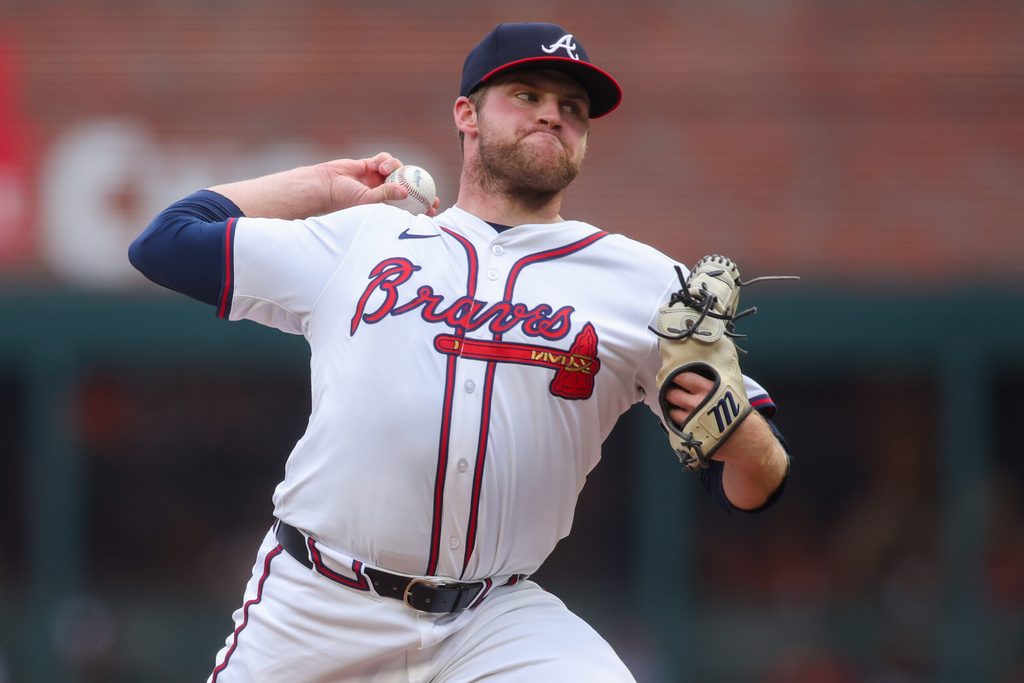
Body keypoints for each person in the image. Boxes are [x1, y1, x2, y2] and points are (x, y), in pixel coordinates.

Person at [129, 21, 790, 682]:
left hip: (492, 619)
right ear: (466, 114)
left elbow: (758, 481)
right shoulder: (366, 241)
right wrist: (324, 186)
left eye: (572, 109)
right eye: (527, 95)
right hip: (317, 605)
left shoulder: (644, 284)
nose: (552, 116)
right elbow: (165, 242)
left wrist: (744, 440)